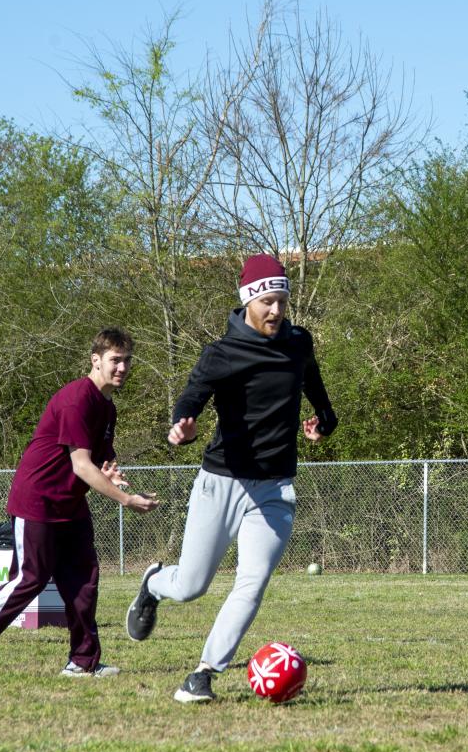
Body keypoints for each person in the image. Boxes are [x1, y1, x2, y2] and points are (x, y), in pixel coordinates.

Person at [126, 255, 338, 703]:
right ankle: (153, 585)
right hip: (221, 482)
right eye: (267, 302)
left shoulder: (299, 342)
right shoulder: (221, 352)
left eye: (282, 301)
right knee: (191, 586)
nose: (277, 312)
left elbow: (315, 387)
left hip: (275, 489)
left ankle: (203, 673)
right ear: (247, 301)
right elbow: (191, 397)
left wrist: (324, 420)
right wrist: (181, 424)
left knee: (252, 581)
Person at [0, 329, 160, 676]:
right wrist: (124, 499)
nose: (122, 367)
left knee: (83, 581)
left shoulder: (107, 407)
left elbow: (100, 463)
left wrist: (115, 477)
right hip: (39, 502)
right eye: (115, 360)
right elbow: (81, 464)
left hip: (71, 505)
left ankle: (82, 661)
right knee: (29, 579)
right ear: (96, 360)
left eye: (127, 361)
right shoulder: (78, 399)